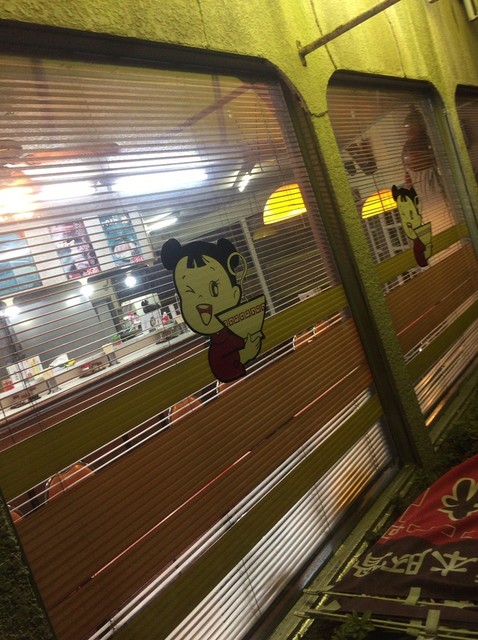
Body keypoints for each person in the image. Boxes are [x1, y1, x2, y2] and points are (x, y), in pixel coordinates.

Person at [161, 237, 263, 382]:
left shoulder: (239, 328)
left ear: (235, 293)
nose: (201, 299)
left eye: (214, 290)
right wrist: (246, 354)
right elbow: (223, 369)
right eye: (189, 292)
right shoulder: (219, 343)